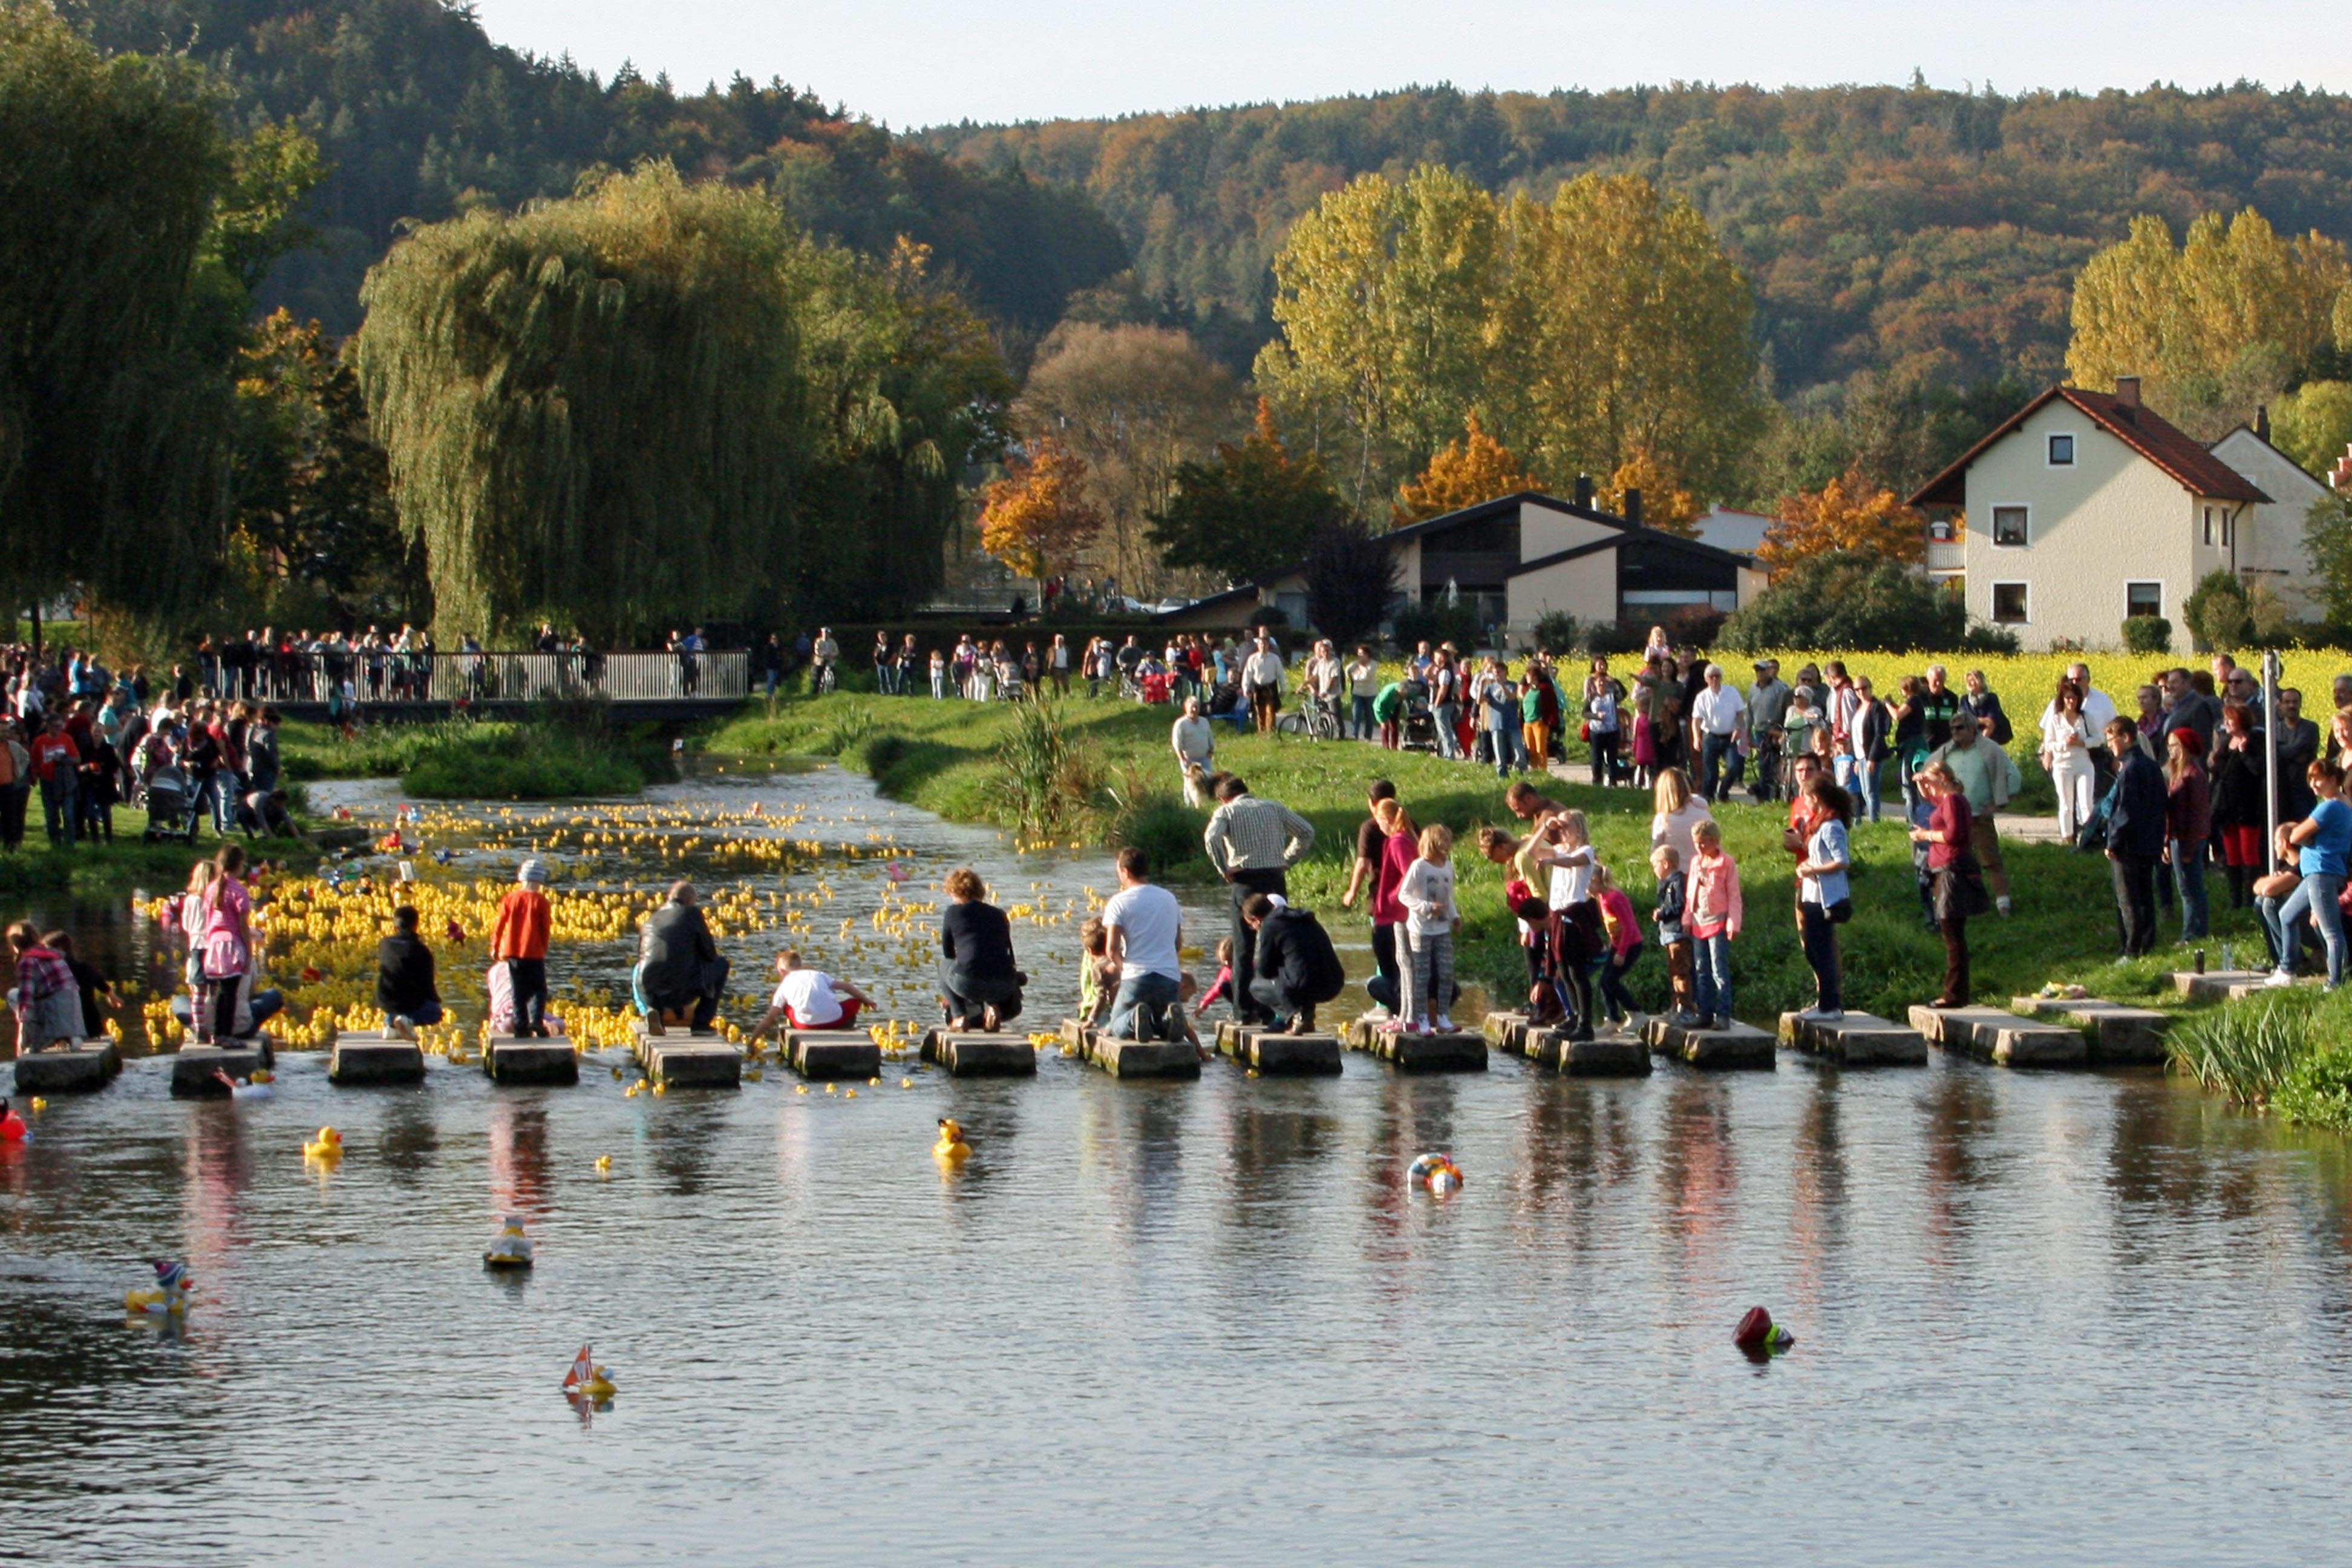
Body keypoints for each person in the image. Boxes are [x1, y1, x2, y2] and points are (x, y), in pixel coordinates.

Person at [1203, 776, 1315, 1025]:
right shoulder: (1274, 807)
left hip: (1245, 882)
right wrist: (1287, 859)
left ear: (1222, 798)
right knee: (1280, 945)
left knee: (1243, 949)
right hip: (1275, 880)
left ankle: (1244, 1013)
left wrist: (1224, 868)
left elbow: (1211, 838)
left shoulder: (1227, 811)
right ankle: (1286, 1008)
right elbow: (1307, 832)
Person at [2261, 757, 2352, 988]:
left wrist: (2304, 836)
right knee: (2287, 915)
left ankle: (2335, 982)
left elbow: (2294, 836)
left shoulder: (2330, 806)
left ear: (2333, 779)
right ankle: (2287, 969)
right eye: (2311, 780)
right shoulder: (2344, 804)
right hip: (2315, 872)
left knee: (2330, 930)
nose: (2314, 785)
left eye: (2318, 779)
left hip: (2323, 871)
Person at [1929, 711, 2022, 916]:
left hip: (1979, 817)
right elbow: (1928, 769)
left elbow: (2013, 777)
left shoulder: (1989, 750)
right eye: (1952, 729)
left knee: (1991, 862)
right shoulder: (1947, 753)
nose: (1955, 732)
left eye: (1960, 728)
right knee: (1953, 864)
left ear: (1973, 729)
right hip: (1953, 819)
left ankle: (2003, 905)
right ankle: (1960, 905)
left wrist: (1998, 804)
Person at [1910, 762, 1980, 1006]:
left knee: (1951, 930)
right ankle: (1956, 992)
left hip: (1952, 870)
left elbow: (1953, 835)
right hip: (1943, 869)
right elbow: (1934, 803)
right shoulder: (1948, 801)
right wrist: (1923, 784)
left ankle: (1954, 994)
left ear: (1942, 778)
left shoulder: (1953, 800)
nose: (1928, 787)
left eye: (1930, 781)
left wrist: (1925, 836)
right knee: (1950, 931)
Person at [2101, 717, 2168, 960]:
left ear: (2126, 738)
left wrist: (2113, 842)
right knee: (2145, 895)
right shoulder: (2151, 766)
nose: (2110, 746)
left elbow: (2124, 811)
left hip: (2129, 844)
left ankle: (2131, 949)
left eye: (2112, 740)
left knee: (2128, 899)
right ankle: (2147, 944)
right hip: (2149, 841)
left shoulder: (2129, 769)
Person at [1102, 845, 1185, 1041]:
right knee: (1159, 1025)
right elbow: (1178, 942)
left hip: (1137, 977)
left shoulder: (1119, 901)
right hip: (1169, 976)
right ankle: (1169, 1019)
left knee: (1116, 1027)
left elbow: (1111, 950)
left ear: (1126, 872)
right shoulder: (1169, 898)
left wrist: (1124, 969)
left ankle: (1133, 1018)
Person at [1793, 775, 1854, 1021]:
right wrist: (1808, 865)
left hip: (1825, 897)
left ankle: (1831, 1006)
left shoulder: (1832, 827)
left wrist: (1812, 870)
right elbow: (1820, 856)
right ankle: (1824, 1002)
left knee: (1823, 949)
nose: (1805, 804)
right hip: (1811, 894)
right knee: (1812, 949)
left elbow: (1842, 861)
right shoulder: (1818, 825)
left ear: (1815, 799)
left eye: (1807, 799)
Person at [1241, 893, 1345, 1033]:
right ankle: (1305, 1019)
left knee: (1256, 986)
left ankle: (1295, 1017)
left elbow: (1265, 971)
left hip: (1305, 986)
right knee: (1295, 972)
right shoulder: (1303, 917)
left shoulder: (1269, 925)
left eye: (1251, 925)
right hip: (1333, 983)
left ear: (1256, 920)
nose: (1253, 929)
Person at [938, 867, 1024, 1030]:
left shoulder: (953, 912)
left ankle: (959, 1016)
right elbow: (1006, 951)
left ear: (955, 892)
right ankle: (994, 1007)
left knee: (944, 965)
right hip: (1004, 984)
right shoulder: (999, 914)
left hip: (969, 983)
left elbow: (948, 952)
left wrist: (952, 995)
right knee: (990, 964)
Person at [1395, 824, 1460, 1033]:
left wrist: (1454, 916)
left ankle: (1443, 1017)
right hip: (1421, 929)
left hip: (1442, 929)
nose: (1448, 845)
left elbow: (1447, 896)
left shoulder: (1447, 866)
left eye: (1449, 841)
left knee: (1446, 973)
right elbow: (1404, 895)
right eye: (1444, 841)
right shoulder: (1419, 867)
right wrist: (1426, 907)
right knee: (1422, 975)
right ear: (1433, 843)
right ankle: (1422, 1018)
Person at [638, 881, 728, 1033]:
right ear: (690, 901)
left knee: (643, 969)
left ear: (668, 898)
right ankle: (701, 1023)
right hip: (683, 991)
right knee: (721, 964)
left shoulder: (651, 919)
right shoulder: (692, 913)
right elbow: (710, 954)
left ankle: (654, 1012)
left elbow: (641, 955)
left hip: (650, 991)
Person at [1684, 819, 1742, 1031]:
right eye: (1697, 843)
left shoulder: (1726, 863)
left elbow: (1734, 896)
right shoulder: (1695, 863)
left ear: (1716, 841)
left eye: (1704, 843)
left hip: (1718, 922)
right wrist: (1687, 919)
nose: (1700, 847)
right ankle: (1705, 1013)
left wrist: (1733, 923)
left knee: (1719, 968)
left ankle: (1723, 1014)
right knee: (1701, 969)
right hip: (1699, 921)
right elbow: (1690, 894)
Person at [192, 844, 254, 1042]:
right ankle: (227, 1035)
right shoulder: (239, 890)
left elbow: (208, 918)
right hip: (232, 945)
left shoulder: (211, 889)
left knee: (221, 993)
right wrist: (249, 951)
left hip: (214, 946)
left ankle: (219, 1034)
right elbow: (243, 926)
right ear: (238, 865)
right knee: (231, 994)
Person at [2211, 702, 2268, 910]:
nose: (2226, 723)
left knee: (2249, 853)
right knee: (2232, 855)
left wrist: (2244, 753)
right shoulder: (2227, 742)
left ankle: (2250, 899)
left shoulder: (2254, 741)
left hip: (2247, 808)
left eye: (2230, 719)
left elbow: (2258, 770)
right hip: (2227, 808)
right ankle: (2236, 900)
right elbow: (2219, 771)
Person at [491, 859, 554, 1037]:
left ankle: (520, 1027)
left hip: (513, 952)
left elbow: (500, 924)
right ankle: (536, 1021)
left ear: (521, 878)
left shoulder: (510, 898)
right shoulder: (541, 901)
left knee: (518, 991)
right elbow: (545, 928)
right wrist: (544, 948)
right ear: (540, 881)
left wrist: (495, 946)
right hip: (534, 953)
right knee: (539, 990)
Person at [2163, 728, 2212, 942]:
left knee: (2189, 888)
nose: (2170, 750)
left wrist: (2190, 847)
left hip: (2187, 838)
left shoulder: (2193, 775)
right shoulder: (2178, 774)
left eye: (2174, 745)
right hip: (2177, 837)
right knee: (2187, 886)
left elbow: (2197, 814)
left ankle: (2192, 933)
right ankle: (2195, 930)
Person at [752, 950, 875, 1036]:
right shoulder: (818, 974)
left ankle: (798, 1021)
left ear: (782, 971)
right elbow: (847, 987)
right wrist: (868, 1002)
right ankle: (845, 1026)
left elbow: (769, 1019)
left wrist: (752, 1043)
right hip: (835, 1021)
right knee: (854, 1001)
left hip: (806, 1025)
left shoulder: (784, 985)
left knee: (786, 1006)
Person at [5, 921, 82, 1050]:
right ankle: (69, 1036)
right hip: (73, 1020)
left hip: (52, 1018)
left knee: (13, 995)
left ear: (16, 946)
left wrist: (20, 1038)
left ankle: (43, 1038)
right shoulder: (54, 956)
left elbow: (25, 1004)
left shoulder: (27, 962)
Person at [2041, 679, 2099, 844]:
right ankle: (2068, 838)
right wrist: (2065, 743)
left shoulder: (2086, 717)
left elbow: (2099, 738)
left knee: (2086, 802)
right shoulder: (2056, 720)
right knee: (2066, 804)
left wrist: (2083, 743)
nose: (2071, 702)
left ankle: (2089, 837)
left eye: (2074, 698)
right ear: (2062, 699)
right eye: (2068, 698)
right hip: (2062, 765)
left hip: (2084, 763)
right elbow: (2049, 744)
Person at [1590, 864, 1644, 1030]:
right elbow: (1614, 926)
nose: (1587, 886)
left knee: (1610, 980)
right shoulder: (1602, 898)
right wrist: (1612, 944)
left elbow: (1628, 926)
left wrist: (1621, 953)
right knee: (1605, 982)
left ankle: (1636, 1013)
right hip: (1617, 945)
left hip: (1631, 945)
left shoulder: (1615, 897)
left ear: (1599, 881)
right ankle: (1613, 1019)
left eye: (1590, 882)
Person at [376, 905, 443, 1037]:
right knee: (435, 1013)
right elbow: (428, 986)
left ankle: (392, 1024)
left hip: (386, 1001)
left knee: (397, 1007)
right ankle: (405, 1021)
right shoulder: (421, 950)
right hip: (411, 1004)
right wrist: (436, 1001)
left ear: (395, 927)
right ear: (416, 926)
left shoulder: (384, 944)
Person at [1690, 663, 1745, 803]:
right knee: (1711, 772)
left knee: (1734, 767)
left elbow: (1740, 712)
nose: (1715, 679)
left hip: (1729, 737)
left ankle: (1723, 791)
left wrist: (1738, 728)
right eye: (1711, 677)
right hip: (1711, 736)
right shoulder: (1702, 697)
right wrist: (1696, 738)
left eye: (1717, 676)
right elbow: (1696, 719)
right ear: (1706, 679)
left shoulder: (1731, 692)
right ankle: (1708, 798)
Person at [1648, 767, 1713, 869]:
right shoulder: (1703, 812)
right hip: (1705, 870)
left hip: (1676, 874)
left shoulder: (1663, 819)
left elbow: (1656, 853)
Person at [1584, 659, 1624, 788]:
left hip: (1612, 731)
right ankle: (1597, 782)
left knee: (1613, 758)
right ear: (1595, 685)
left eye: (1604, 682)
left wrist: (1615, 682)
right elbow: (1584, 713)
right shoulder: (1592, 698)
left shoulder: (1612, 696)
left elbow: (1624, 693)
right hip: (1596, 732)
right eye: (1599, 683)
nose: (1602, 684)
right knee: (1597, 759)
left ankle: (1613, 781)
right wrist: (1596, 716)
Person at [1171, 696, 1215, 808]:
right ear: (1186, 708)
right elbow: (1177, 743)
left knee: (1208, 781)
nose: (1194, 710)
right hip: (1189, 760)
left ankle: (1206, 803)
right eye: (1192, 707)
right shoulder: (1181, 724)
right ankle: (1189, 805)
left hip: (1204, 758)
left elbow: (1210, 737)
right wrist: (1182, 759)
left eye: (1197, 707)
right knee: (1189, 784)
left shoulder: (1204, 722)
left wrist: (1211, 751)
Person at [1241, 636, 1285, 734]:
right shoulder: (1252, 659)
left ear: (1268, 645)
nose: (1263, 646)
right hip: (1258, 688)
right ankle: (1262, 733)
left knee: (1271, 711)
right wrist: (1245, 688)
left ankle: (1271, 733)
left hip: (1271, 687)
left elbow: (1281, 674)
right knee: (1260, 712)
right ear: (1258, 646)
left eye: (1265, 644)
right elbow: (1247, 674)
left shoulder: (1274, 658)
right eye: (1261, 644)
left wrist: (1283, 688)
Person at [1961, 668, 2012, 746]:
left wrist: (1980, 744)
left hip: (1990, 741)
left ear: (1982, 682)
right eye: (1969, 681)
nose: (1972, 683)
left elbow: (1991, 723)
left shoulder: (1991, 698)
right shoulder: (1964, 700)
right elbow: (1964, 721)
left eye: (1975, 680)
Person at [1346, 647, 1381, 740]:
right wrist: (1351, 674)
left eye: (1362, 653)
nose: (1360, 656)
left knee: (1369, 716)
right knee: (1356, 714)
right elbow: (1348, 671)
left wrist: (1360, 666)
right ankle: (1354, 734)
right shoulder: (1355, 664)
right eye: (1358, 654)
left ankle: (1368, 735)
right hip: (1357, 693)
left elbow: (1367, 675)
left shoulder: (1373, 664)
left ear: (1367, 654)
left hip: (1370, 694)